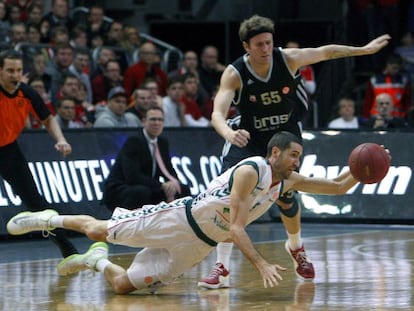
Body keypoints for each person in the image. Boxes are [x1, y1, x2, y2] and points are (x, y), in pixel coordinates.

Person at [6, 131, 369, 294]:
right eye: (293, 155)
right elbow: (239, 228)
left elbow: (337, 186)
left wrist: (367, 166)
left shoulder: (285, 181)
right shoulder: (252, 170)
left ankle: (95, 262)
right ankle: (47, 219)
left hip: (199, 246)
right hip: (179, 219)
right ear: (275, 153)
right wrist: (261, 264)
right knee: (99, 230)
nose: (297, 162)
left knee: (120, 286)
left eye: (299, 158)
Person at [201, 14, 391, 289]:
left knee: (287, 196)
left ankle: (296, 247)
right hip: (248, 136)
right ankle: (222, 266)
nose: (266, 49)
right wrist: (230, 133)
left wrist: (363, 50)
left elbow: (326, 52)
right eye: (259, 45)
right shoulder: (234, 72)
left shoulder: (287, 58)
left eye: (268, 43)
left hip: (285, 133)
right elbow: (217, 114)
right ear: (246, 46)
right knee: (229, 201)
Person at [0, 49, 77, 257]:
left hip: (8, 150)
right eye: (10, 70)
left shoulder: (27, 93)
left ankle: (68, 251)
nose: (15, 75)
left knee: (36, 202)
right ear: (0, 71)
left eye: (18, 70)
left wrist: (60, 139)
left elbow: (48, 119)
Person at [102, 106, 191, 211]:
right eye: (153, 119)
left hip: (146, 186)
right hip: (120, 188)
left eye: (160, 120)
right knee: (142, 192)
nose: (156, 123)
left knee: (182, 189)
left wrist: (173, 183)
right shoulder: (134, 141)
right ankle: (131, 224)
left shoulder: (162, 142)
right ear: (144, 121)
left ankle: (178, 223)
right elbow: (132, 176)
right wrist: (162, 185)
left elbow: (168, 169)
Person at [362, 52, 411, 119]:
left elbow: (407, 101)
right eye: (394, 68)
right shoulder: (374, 80)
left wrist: (405, 115)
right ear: (387, 65)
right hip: (377, 117)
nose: (396, 71)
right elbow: (368, 101)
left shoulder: (403, 81)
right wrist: (366, 118)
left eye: (398, 68)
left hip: (397, 118)